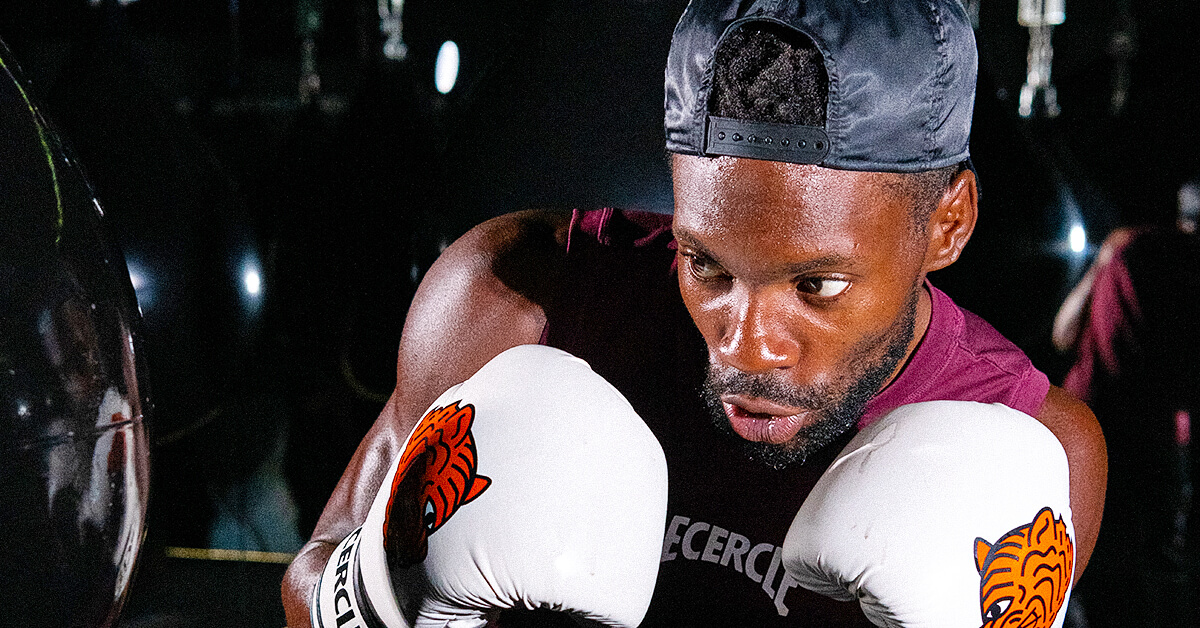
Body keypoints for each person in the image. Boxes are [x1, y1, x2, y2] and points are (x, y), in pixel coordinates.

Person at [283, 1, 1107, 626]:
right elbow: (309, 576)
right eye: (706, 265)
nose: (745, 347)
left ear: (948, 225)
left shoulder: (1033, 447)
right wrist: (388, 599)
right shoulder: (518, 302)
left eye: (817, 286)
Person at [1052, 181, 1200, 625]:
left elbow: (1062, 335)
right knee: (1148, 575)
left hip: (1080, 427)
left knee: (1075, 563)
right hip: (1148, 440)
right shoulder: (1187, 266)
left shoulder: (1122, 248)